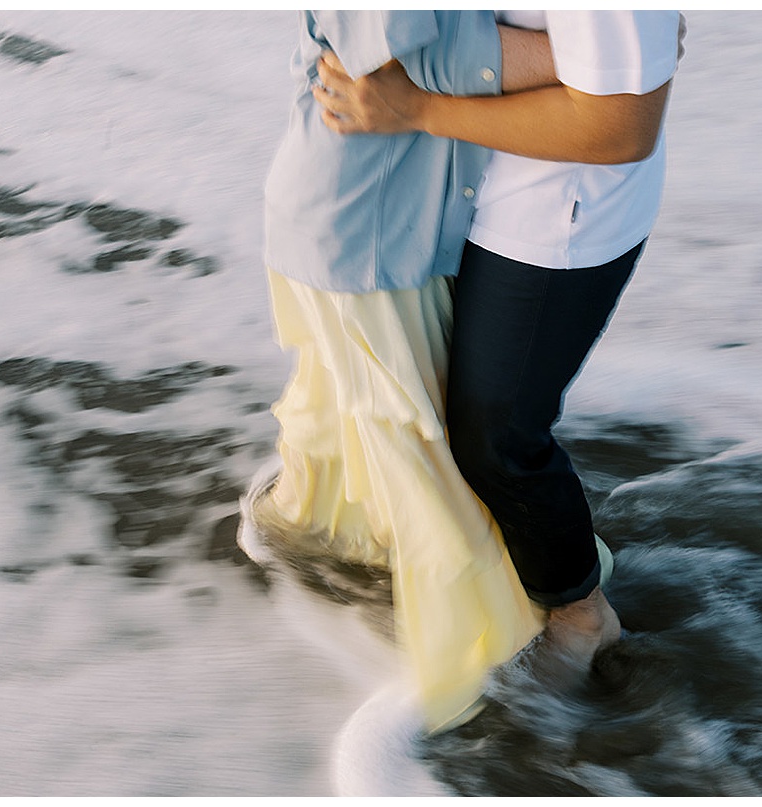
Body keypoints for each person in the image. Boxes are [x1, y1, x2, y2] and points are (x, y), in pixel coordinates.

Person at [313, 10, 682, 679]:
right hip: (453, 178)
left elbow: (621, 126)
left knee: (497, 435)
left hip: (552, 215)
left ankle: (582, 613)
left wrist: (416, 107)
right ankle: (499, 578)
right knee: (426, 406)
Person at [250, 10, 562, 733]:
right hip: (363, 238)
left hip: (381, 228)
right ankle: (492, 674)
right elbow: (409, 62)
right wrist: (598, 56)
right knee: (431, 465)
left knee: (354, 433)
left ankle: (303, 566)